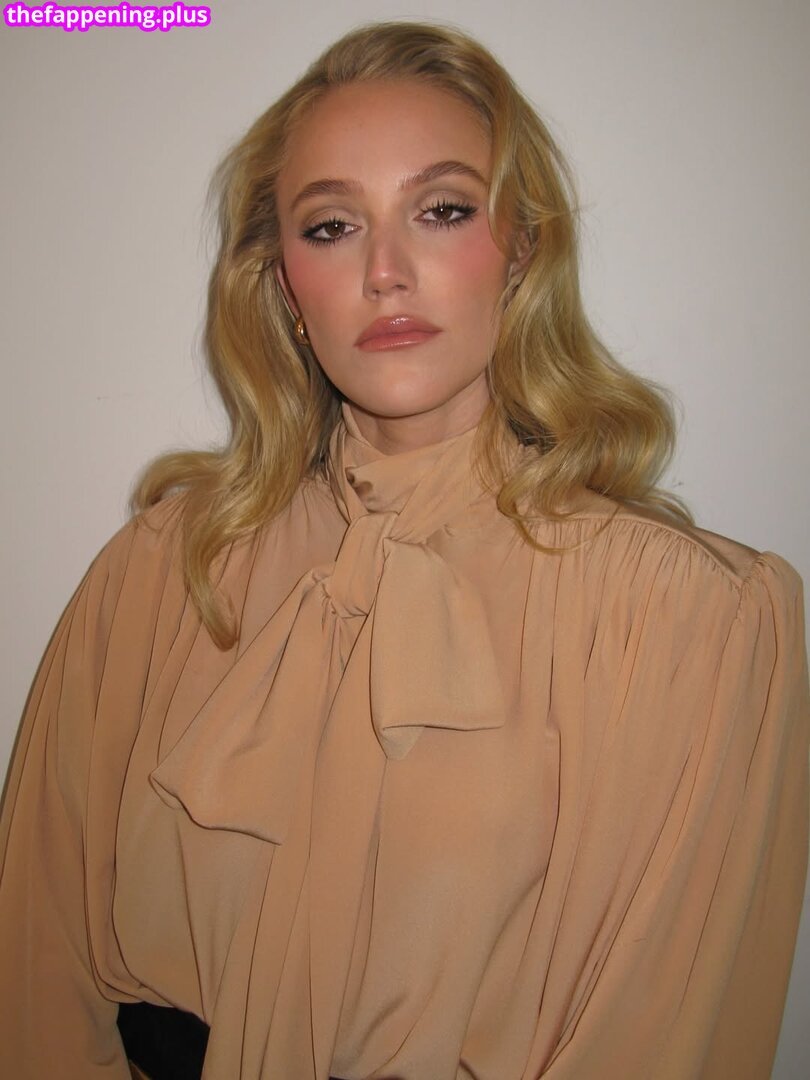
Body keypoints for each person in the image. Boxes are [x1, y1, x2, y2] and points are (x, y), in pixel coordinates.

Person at [0, 20, 807, 1080]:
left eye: (442, 210)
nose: (385, 272)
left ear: (522, 252)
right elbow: (33, 979)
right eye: (332, 227)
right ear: (285, 288)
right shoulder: (158, 575)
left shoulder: (689, 624)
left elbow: (662, 1042)